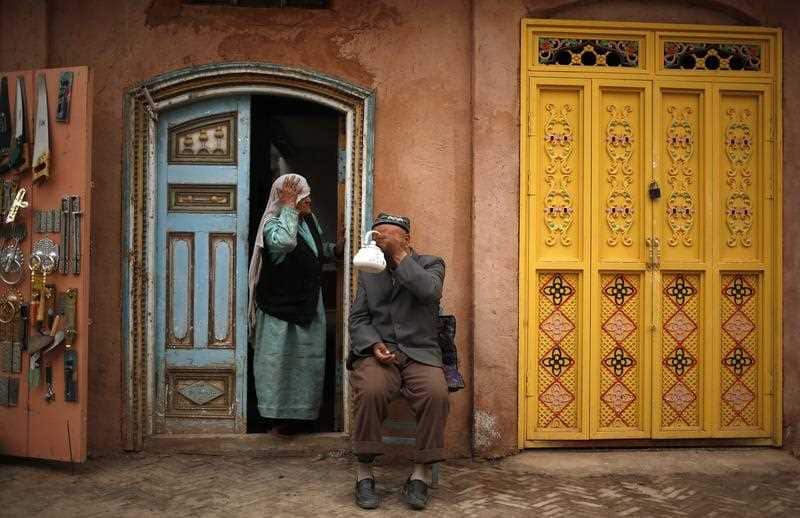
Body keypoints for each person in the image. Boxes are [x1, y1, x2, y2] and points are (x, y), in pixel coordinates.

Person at [348, 212, 449, 510]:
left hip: (420, 351)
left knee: (435, 394)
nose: (383, 240)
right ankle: (364, 472)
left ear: (407, 239)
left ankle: (420, 474)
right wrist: (374, 343)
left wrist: (400, 257)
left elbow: (429, 291)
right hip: (382, 354)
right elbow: (358, 318)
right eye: (378, 236)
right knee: (371, 391)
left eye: (390, 235)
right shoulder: (369, 270)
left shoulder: (431, 264)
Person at [248, 174, 343, 435]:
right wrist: (288, 205)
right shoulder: (272, 225)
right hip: (280, 311)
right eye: (304, 195)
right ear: (290, 198)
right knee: (280, 365)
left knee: (306, 364)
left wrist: (335, 250)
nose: (309, 199)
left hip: (307, 308)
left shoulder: (306, 220)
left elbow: (313, 248)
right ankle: (276, 421)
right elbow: (286, 243)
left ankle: (301, 419)